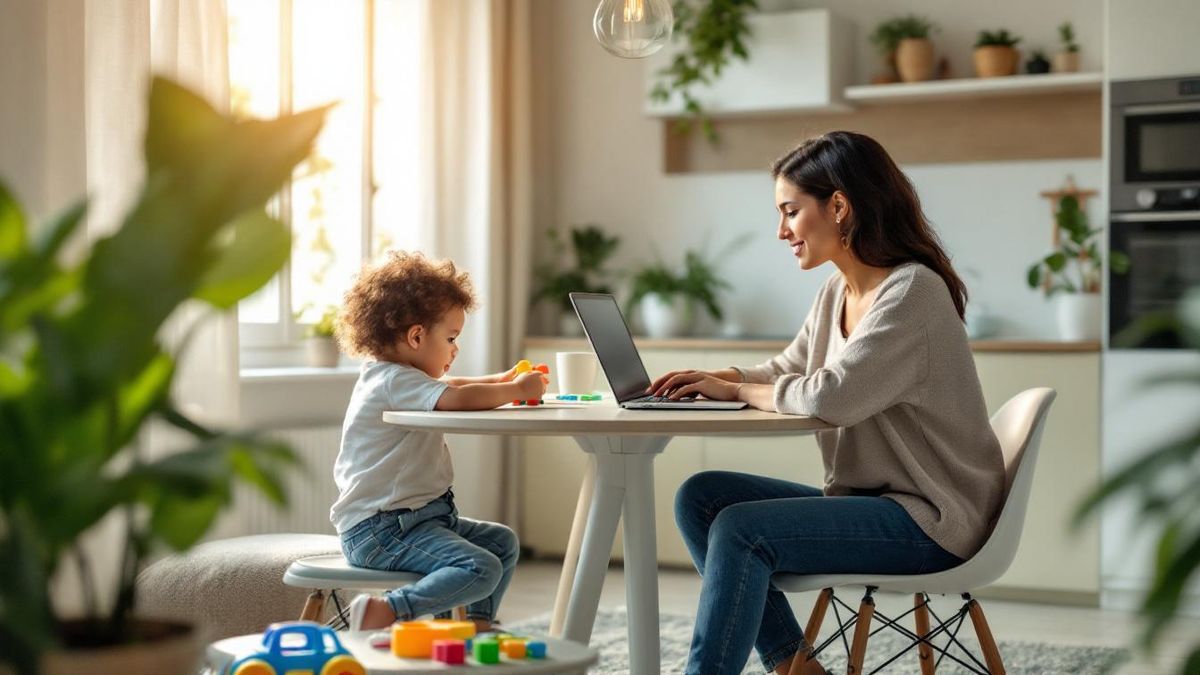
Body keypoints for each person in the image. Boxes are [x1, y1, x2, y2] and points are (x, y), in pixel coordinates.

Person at [647, 131, 1006, 675]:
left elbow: (831, 397)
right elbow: (791, 370)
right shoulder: (838, 291)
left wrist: (739, 392)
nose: (781, 231)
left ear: (838, 205)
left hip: (931, 520)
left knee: (742, 529)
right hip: (879, 504)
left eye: (790, 211)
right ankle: (797, 666)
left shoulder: (911, 293)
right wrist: (722, 376)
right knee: (702, 496)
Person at [330, 251, 547, 632]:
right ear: (416, 336)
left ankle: (472, 626)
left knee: (502, 543)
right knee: (481, 566)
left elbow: (452, 386)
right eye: (451, 338)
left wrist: (500, 380)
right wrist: (516, 389)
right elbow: (457, 400)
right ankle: (390, 610)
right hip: (381, 532)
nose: (455, 349)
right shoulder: (393, 381)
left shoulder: (397, 378)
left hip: (416, 521)